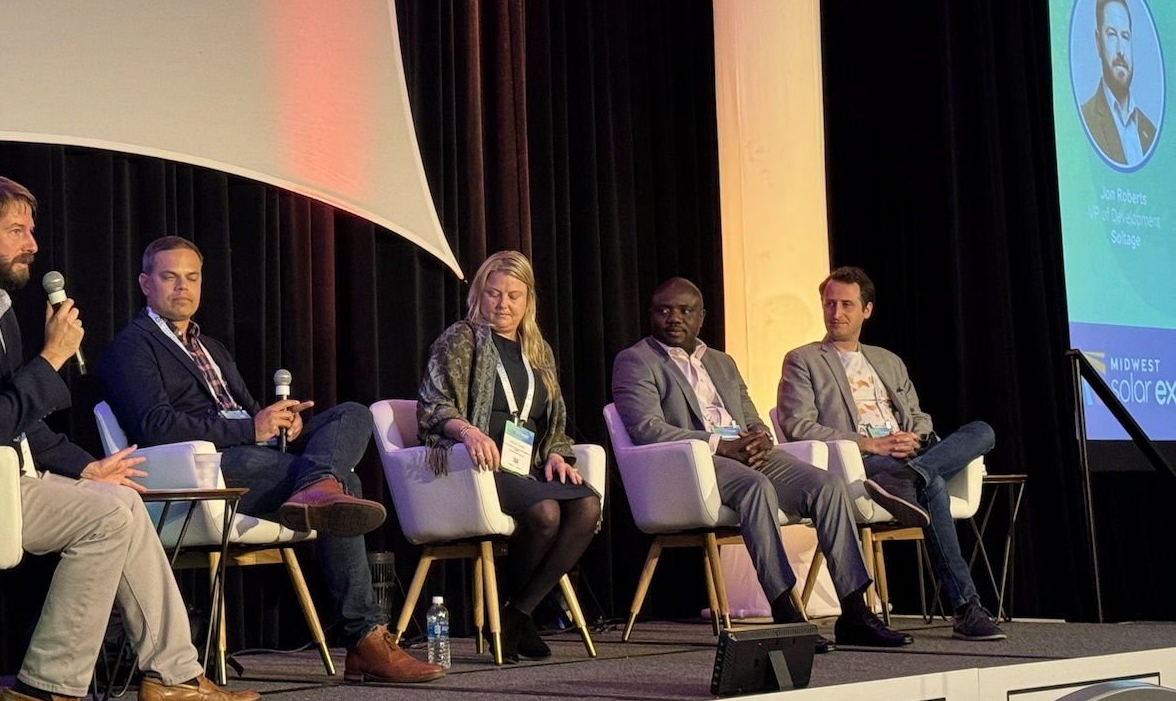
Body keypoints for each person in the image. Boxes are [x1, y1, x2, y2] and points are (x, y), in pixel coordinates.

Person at [0, 177, 260, 701]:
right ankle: (46, 691)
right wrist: (52, 358)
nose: (32, 244)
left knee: (122, 500)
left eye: (31, 231)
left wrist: (87, 468)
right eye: (16, 231)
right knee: (106, 518)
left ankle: (174, 674)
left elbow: (20, 419)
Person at [100, 236, 442, 684]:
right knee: (348, 488)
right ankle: (365, 640)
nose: (183, 287)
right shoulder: (132, 346)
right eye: (170, 277)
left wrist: (282, 424)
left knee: (353, 413)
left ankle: (318, 484)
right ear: (146, 283)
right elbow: (155, 427)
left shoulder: (212, 348)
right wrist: (252, 429)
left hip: (255, 453)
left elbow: (247, 411)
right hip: (206, 468)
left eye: (192, 277)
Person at [612, 277, 911, 649]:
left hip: (746, 453)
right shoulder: (635, 360)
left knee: (828, 486)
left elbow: (750, 414)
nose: (674, 317)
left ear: (701, 316)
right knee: (756, 488)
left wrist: (759, 437)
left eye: (685, 310)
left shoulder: (721, 361)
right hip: (695, 461)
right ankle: (785, 612)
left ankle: (854, 612)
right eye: (664, 310)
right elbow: (646, 428)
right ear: (651, 314)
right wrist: (721, 445)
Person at [776, 266, 1004, 641]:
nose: (836, 313)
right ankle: (966, 607)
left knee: (983, 431)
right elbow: (796, 425)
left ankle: (910, 476)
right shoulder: (804, 359)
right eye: (830, 304)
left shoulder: (887, 360)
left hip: (908, 456)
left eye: (846, 304)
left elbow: (918, 415)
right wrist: (867, 443)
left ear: (867, 310)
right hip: (864, 460)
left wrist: (915, 437)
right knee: (934, 487)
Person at [417, 250, 602, 662]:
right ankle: (520, 615)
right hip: (477, 468)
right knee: (546, 514)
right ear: (478, 295)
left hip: (526, 468)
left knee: (588, 505)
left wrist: (556, 455)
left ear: (528, 300)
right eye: (494, 293)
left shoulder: (539, 350)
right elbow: (434, 405)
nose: (503, 304)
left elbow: (553, 422)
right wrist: (468, 431)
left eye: (513, 296)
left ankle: (517, 612)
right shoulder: (461, 338)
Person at [1081, 0, 1156, 166]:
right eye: (1112, 35)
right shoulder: (1086, 119)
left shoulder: (1150, 131)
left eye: (1125, 37)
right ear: (1098, 42)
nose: (1121, 50)